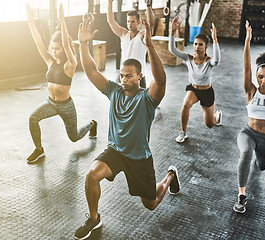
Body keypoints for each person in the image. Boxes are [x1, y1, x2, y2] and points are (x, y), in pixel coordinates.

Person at [74, 16, 180, 240]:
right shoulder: (114, 91)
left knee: (150, 204)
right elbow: (92, 72)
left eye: (128, 76)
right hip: (115, 151)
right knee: (92, 175)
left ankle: (170, 175)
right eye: (121, 75)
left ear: (140, 77)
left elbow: (160, 81)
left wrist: (150, 45)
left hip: (139, 158)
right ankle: (94, 219)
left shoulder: (147, 99)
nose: (123, 79)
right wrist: (83, 44)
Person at [25, 3, 97, 163]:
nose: (54, 51)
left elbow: (66, 44)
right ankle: (39, 149)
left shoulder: (70, 64)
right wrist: (30, 21)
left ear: (64, 50)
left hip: (66, 106)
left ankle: (92, 124)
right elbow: (38, 42)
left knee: (74, 137)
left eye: (57, 48)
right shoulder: (50, 61)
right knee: (33, 118)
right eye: (52, 48)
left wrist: (63, 22)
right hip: (50, 103)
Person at [233, 21, 265, 213]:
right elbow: (246, 67)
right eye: (260, 76)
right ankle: (241, 196)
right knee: (246, 151)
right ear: (256, 76)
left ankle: (257, 158)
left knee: (261, 166)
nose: (263, 80)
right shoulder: (250, 90)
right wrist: (247, 40)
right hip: (248, 133)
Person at [169, 16, 222, 143]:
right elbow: (172, 50)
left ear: (206, 46)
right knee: (185, 104)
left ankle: (217, 116)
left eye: (201, 44)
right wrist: (171, 32)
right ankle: (183, 132)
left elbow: (217, 60)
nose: (197, 47)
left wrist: (215, 39)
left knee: (210, 124)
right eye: (195, 44)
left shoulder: (209, 61)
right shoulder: (188, 58)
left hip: (206, 91)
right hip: (193, 89)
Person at [107, 0, 155, 88]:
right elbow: (111, 21)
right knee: (118, 100)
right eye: (128, 21)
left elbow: (151, 25)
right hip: (123, 76)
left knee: (139, 101)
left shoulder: (142, 35)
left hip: (138, 77)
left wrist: (148, 5)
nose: (130, 24)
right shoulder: (123, 34)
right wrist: (110, 3)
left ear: (138, 22)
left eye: (132, 21)